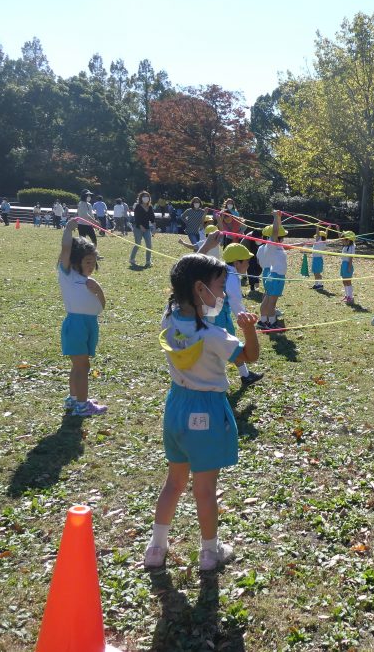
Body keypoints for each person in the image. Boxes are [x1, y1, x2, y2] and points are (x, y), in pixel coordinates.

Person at [143, 253, 260, 572]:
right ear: (199, 289)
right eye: (220, 287)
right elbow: (250, 355)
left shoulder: (168, 318)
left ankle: (156, 547)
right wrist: (249, 329)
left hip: (176, 407)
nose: (223, 294)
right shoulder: (214, 336)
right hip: (206, 411)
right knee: (205, 489)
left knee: (174, 482)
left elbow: (177, 293)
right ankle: (210, 552)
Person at [58, 217, 108, 418]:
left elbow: (101, 307)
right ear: (75, 261)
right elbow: (65, 249)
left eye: (94, 262)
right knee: (82, 366)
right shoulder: (68, 274)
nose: (91, 266)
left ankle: (74, 398)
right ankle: (81, 404)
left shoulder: (88, 281)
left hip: (89, 324)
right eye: (87, 262)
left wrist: (99, 290)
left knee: (79, 365)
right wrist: (69, 229)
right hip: (76, 325)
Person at [212, 243, 264, 386]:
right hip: (218, 317)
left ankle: (245, 375)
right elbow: (235, 302)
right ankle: (216, 378)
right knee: (228, 345)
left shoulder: (224, 271)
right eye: (246, 261)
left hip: (218, 313)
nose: (248, 264)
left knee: (231, 344)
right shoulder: (232, 278)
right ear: (236, 263)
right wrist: (247, 321)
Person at [257, 212, 288, 330]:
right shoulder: (272, 244)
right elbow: (275, 232)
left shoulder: (276, 246)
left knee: (267, 299)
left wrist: (279, 218)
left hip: (273, 275)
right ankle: (272, 323)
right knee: (272, 303)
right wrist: (275, 217)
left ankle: (263, 321)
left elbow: (276, 230)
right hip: (276, 277)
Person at [130, 191, 156, 268]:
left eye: (147, 196)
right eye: (144, 196)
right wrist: (141, 226)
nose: (146, 198)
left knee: (149, 245)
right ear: (141, 198)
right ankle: (132, 259)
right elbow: (136, 218)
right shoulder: (138, 206)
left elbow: (152, 218)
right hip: (138, 228)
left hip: (147, 229)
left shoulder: (150, 207)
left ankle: (148, 261)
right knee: (138, 244)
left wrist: (154, 228)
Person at [339, 230, 357, 304]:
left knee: (348, 281)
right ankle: (347, 296)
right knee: (344, 281)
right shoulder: (346, 246)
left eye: (343, 240)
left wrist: (349, 266)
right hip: (343, 264)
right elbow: (340, 236)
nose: (342, 241)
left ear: (348, 240)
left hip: (347, 265)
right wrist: (338, 229)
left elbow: (351, 257)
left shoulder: (352, 247)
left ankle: (350, 297)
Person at [243, 229, 262, 293]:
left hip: (258, 254)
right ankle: (252, 287)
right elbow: (244, 250)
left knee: (258, 269)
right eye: (257, 238)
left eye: (260, 238)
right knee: (251, 270)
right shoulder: (246, 240)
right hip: (248, 254)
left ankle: (256, 282)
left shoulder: (264, 237)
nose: (259, 239)